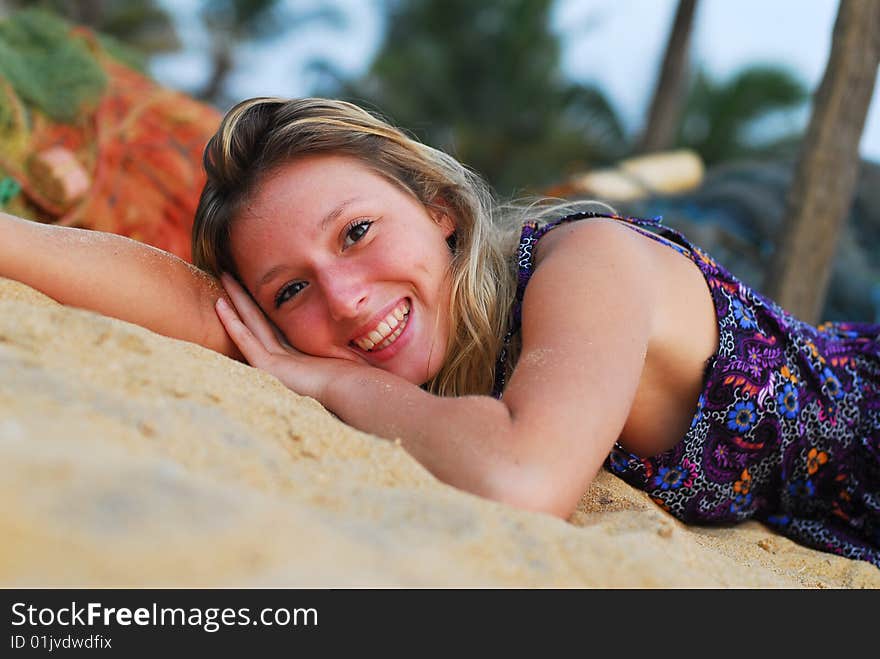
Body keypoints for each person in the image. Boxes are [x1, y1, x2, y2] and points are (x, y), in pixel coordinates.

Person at [1, 97, 877, 569]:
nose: (344, 301)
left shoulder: (586, 258)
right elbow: (199, 309)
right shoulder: (386, 336)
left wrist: (343, 384)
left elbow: (520, 474)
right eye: (293, 287)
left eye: (357, 232)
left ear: (441, 211)